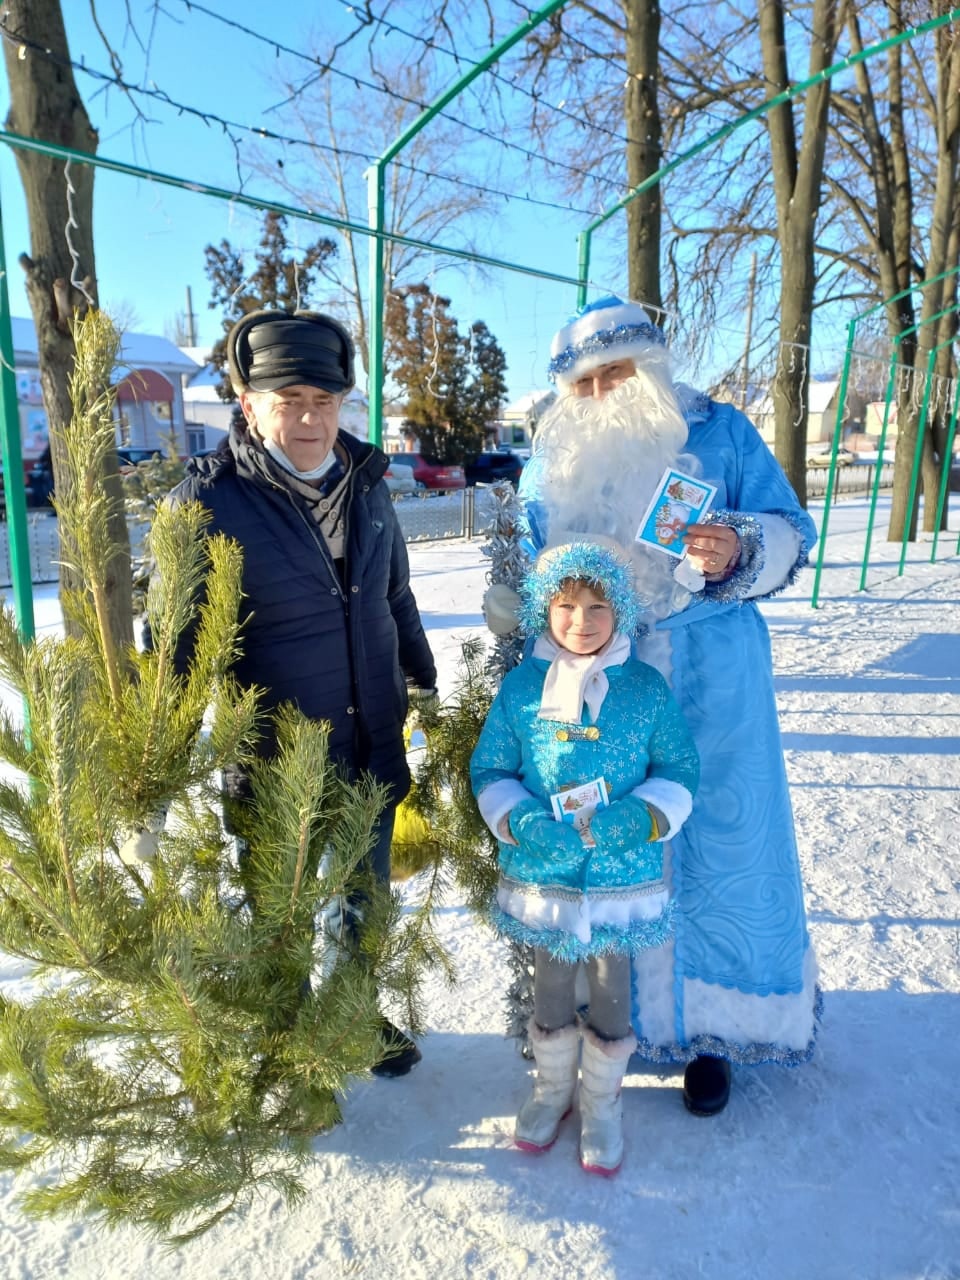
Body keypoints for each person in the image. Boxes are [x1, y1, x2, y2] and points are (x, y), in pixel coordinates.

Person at [491, 294, 820, 1118]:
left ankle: (715, 1034)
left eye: (618, 373)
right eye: (586, 381)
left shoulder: (721, 434)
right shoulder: (551, 462)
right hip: (593, 689)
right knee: (598, 838)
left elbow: (793, 532)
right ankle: (608, 1026)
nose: (603, 393)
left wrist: (742, 545)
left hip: (713, 675)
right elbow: (533, 572)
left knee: (717, 848)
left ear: (652, 368)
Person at [167, 308, 438, 1077]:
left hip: (373, 737)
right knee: (279, 915)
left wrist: (423, 677)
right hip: (277, 758)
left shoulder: (367, 482)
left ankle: (352, 1015)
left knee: (364, 902)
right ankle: (281, 1035)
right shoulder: (207, 504)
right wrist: (153, 771)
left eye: (326, 400)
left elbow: (396, 596)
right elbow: (179, 648)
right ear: (248, 404)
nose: (311, 418)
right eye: (290, 400)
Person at [471, 540, 699, 1174]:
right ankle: (551, 1091)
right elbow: (492, 765)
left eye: (599, 605)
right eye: (568, 605)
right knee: (549, 987)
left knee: (609, 988)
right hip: (546, 876)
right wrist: (518, 821)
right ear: (545, 609)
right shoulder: (522, 689)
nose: (582, 620)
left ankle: (601, 1102)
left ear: (620, 610)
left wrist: (644, 816)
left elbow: (679, 766)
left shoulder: (645, 689)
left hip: (621, 877)